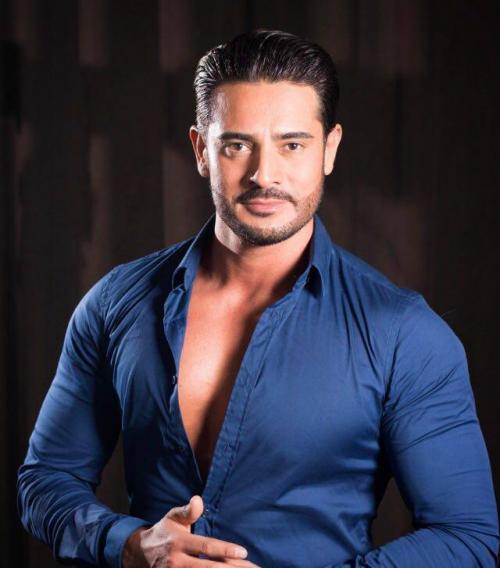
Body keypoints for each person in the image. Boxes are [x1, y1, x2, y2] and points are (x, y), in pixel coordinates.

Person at [17, 29, 498, 568]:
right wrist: (130, 544)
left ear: (329, 149)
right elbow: (46, 480)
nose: (264, 175)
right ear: (201, 150)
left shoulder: (403, 334)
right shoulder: (115, 304)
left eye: (292, 144)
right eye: (237, 145)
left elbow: (467, 537)